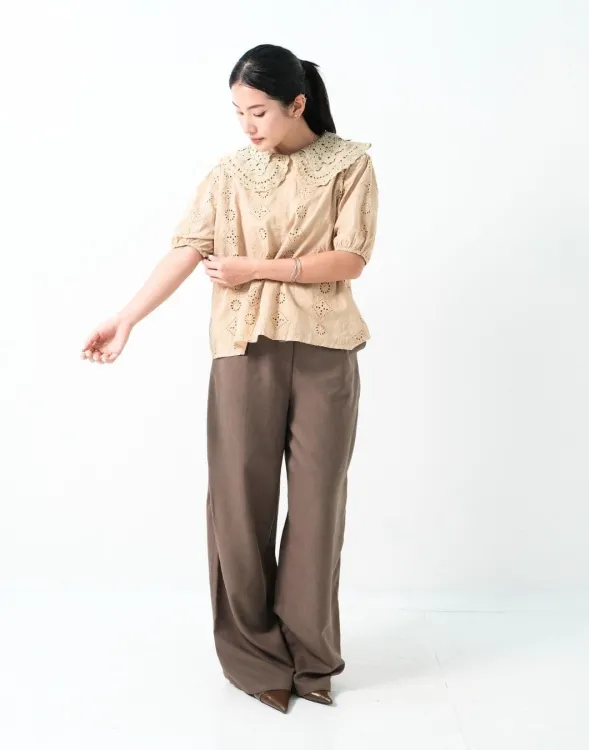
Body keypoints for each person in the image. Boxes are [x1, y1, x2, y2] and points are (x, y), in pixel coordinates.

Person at [81, 43, 378, 714]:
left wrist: (255, 269)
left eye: (259, 111)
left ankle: (311, 657)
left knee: (319, 508)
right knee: (239, 507)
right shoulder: (230, 172)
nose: (248, 125)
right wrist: (127, 318)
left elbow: (351, 259)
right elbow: (187, 249)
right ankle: (253, 656)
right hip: (245, 352)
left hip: (327, 351)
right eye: (238, 112)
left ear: (297, 104)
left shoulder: (350, 164)